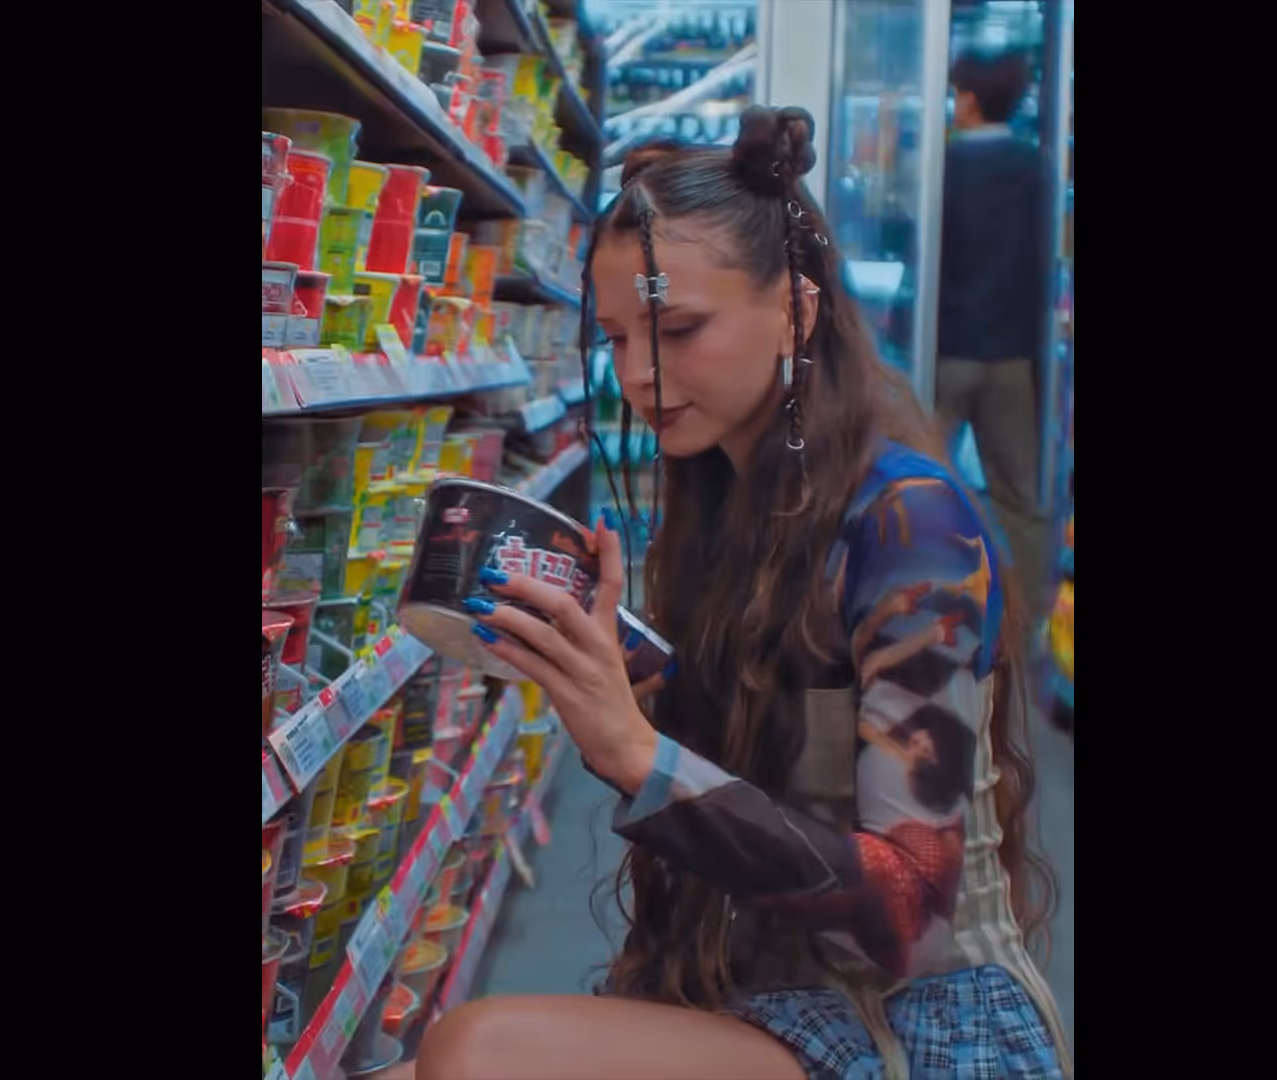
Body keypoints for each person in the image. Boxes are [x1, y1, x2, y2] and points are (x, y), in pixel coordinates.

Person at [410, 106, 1069, 1080]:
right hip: (768, 991)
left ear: (796, 312)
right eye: (618, 339)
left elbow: (905, 918)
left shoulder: (913, 525)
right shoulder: (727, 501)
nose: (640, 375)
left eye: (678, 329)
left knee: (473, 1050)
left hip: (919, 1026)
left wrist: (637, 753)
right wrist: (638, 682)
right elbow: (778, 755)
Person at [935, 49, 1051, 638]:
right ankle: (1027, 622)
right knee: (1018, 498)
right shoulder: (1035, 167)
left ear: (970, 101)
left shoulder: (943, 166)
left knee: (916, 481)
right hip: (1010, 355)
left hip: (947, 351)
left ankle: (922, 604)